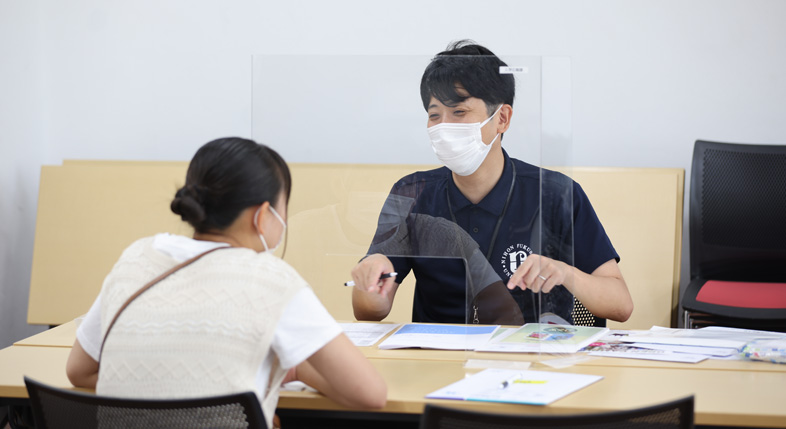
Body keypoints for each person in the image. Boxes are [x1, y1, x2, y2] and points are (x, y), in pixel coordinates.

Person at [66, 137, 386, 428]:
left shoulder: (137, 256)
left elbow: (79, 370)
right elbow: (370, 394)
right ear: (263, 215)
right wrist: (299, 369)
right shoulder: (273, 281)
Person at [351, 41, 633, 325]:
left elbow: (621, 306)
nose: (443, 126)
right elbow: (369, 312)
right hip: (442, 360)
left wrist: (566, 273)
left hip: (532, 359)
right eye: (434, 115)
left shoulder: (556, 193)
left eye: (459, 112)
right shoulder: (412, 193)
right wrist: (372, 281)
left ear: (502, 118)